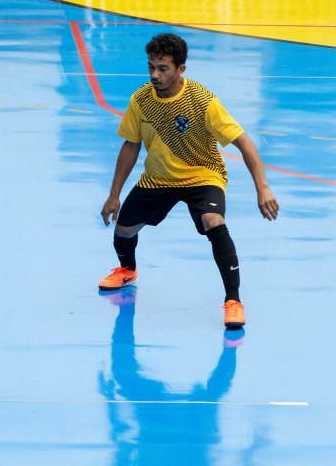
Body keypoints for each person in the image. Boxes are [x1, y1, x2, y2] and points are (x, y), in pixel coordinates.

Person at [98, 33, 278, 329]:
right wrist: (114, 194)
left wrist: (263, 188)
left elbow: (244, 142)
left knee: (213, 221)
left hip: (202, 175)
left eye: (163, 68)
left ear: (181, 69)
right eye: (151, 67)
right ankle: (127, 270)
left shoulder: (202, 101)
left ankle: (233, 301)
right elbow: (131, 145)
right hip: (158, 178)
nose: (155, 74)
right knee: (124, 229)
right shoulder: (141, 100)